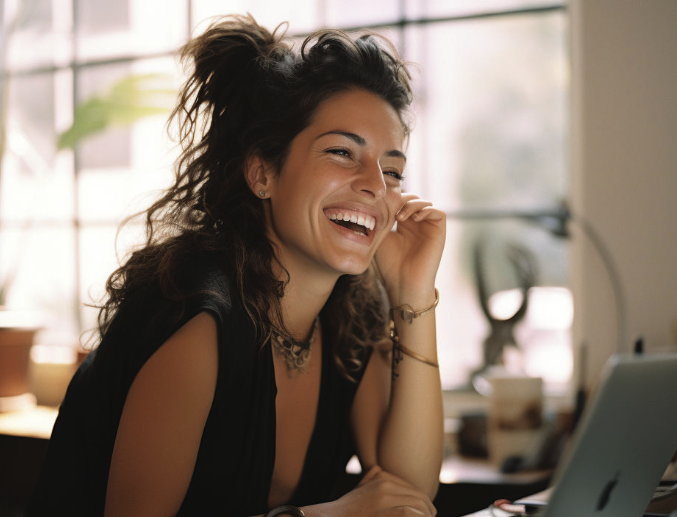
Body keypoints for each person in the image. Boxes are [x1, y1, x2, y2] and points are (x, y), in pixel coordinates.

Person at [26, 13, 446, 517]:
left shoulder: (350, 323)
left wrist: (415, 295)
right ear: (262, 172)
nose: (376, 186)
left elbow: (407, 495)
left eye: (393, 170)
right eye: (341, 152)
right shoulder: (198, 317)